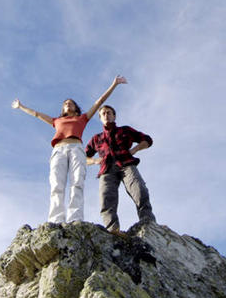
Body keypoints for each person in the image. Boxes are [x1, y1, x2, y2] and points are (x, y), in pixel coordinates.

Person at [12, 75, 127, 224]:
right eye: (65, 103)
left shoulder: (82, 118)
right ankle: (55, 220)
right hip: (58, 150)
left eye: (70, 103)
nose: (68, 104)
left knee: (77, 183)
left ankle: (75, 218)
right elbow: (37, 114)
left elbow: (99, 102)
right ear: (63, 108)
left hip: (76, 149)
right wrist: (21, 106)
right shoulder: (57, 120)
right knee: (56, 184)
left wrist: (114, 84)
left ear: (75, 108)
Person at [85, 105, 155, 234]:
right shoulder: (96, 138)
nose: (106, 115)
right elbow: (83, 157)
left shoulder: (125, 130)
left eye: (109, 113)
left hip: (126, 164)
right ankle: (113, 231)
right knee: (106, 198)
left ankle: (149, 224)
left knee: (140, 190)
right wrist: (94, 161)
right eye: (103, 113)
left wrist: (135, 149)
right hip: (107, 169)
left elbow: (147, 140)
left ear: (114, 116)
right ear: (100, 118)